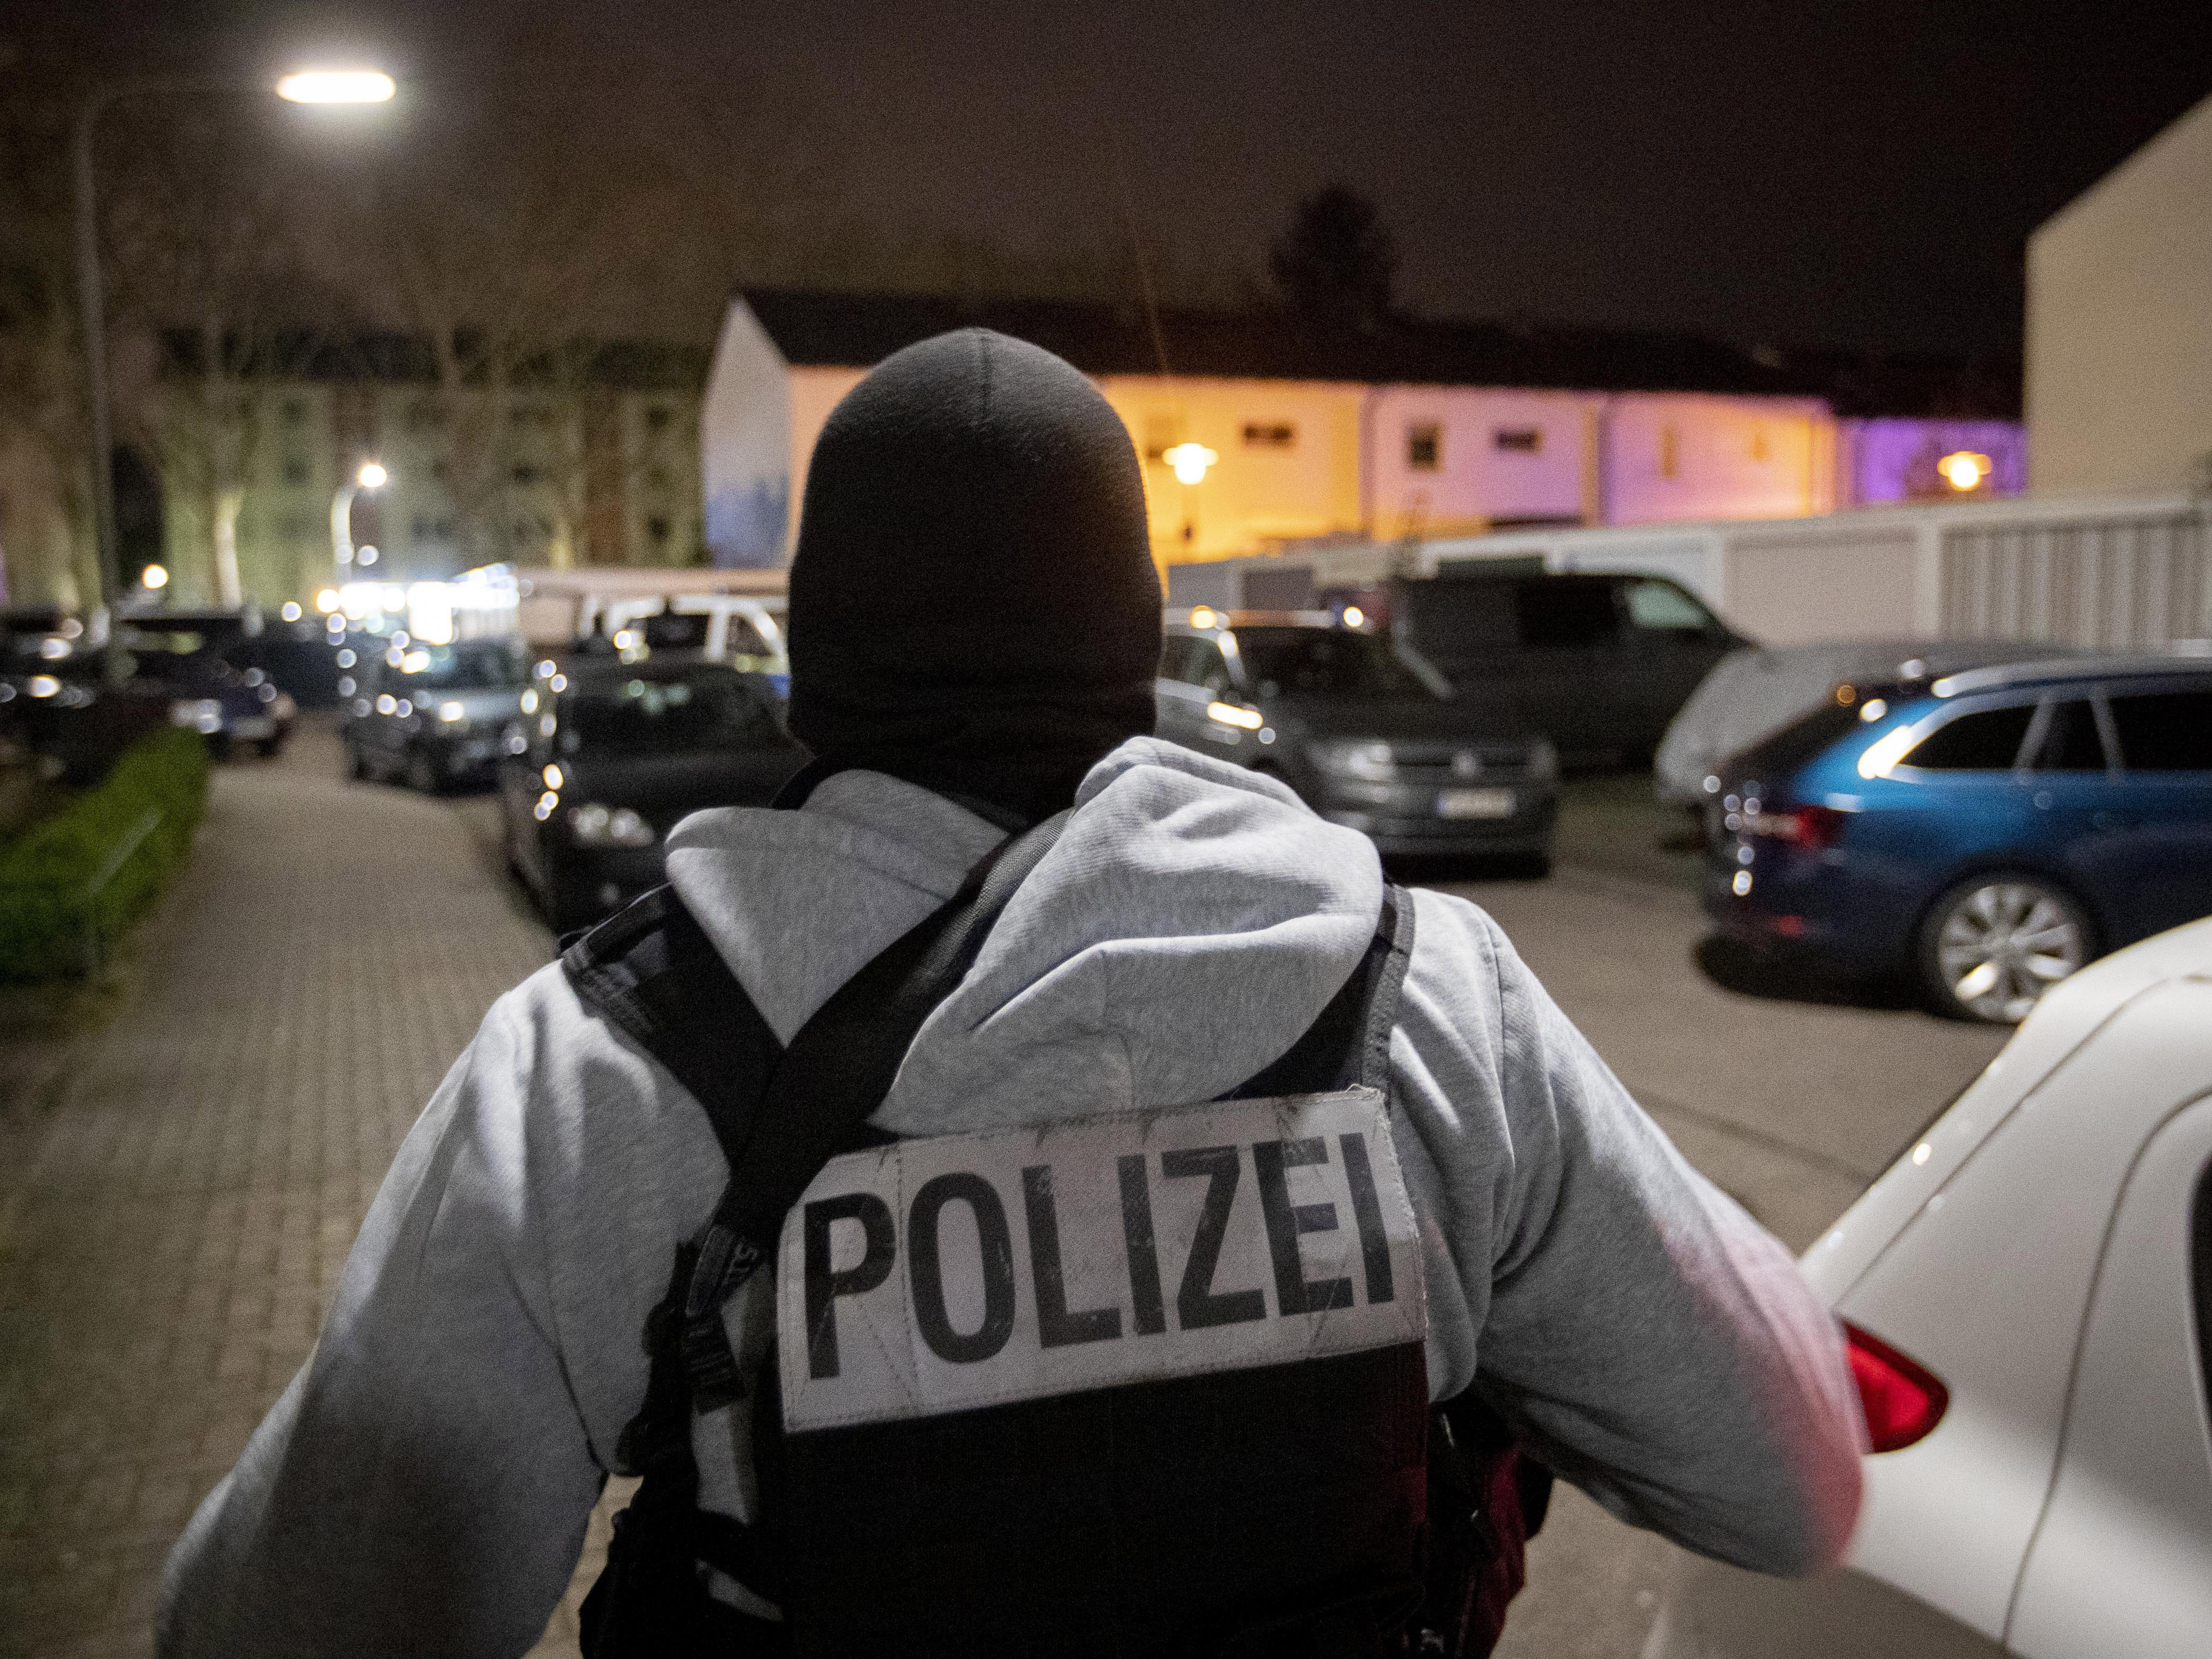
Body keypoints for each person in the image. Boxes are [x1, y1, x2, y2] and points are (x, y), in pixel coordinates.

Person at [159, 329, 1863, 1658]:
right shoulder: (1425, 1009)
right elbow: (1792, 1472)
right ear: (1135, 642)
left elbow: (288, 1625)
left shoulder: (616, 1067)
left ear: (812, 662)